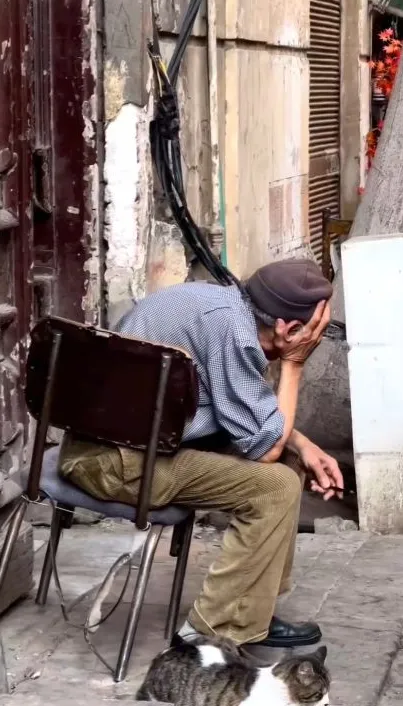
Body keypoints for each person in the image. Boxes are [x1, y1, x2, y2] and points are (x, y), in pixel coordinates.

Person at [59, 258, 344, 662]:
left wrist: (304, 445)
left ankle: (252, 612)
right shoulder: (236, 336)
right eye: (316, 332)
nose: (316, 340)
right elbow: (265, 449)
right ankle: (209, 635)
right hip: (117, 463)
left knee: (287, 466)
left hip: (113, 443)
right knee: (275, 485)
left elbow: (246, 412)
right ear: (289, 329)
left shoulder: (221, 305)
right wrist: (294, 366)